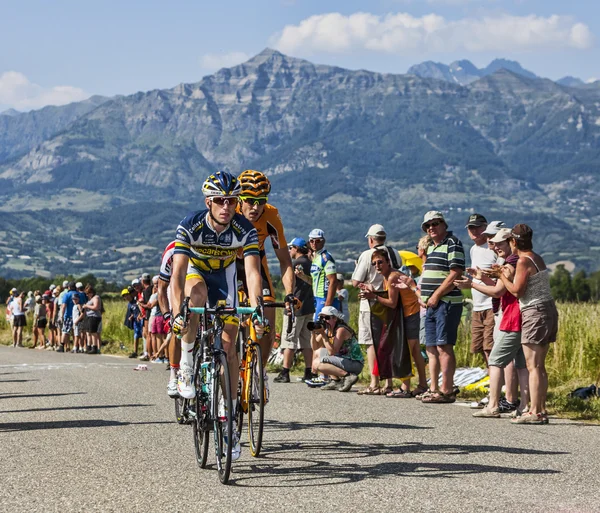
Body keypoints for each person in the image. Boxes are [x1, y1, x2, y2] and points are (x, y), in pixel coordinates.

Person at [170, 171, 265, 462]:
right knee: (195, 297)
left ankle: (230, 419)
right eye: (220, 201)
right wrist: (177, 314)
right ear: (208, 202)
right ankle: (187, 361)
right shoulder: (191, 225)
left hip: (225, 279)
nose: (227, 207)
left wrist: (258, 307)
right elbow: (177, 275)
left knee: (228, 345)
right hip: (197, 274)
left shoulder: (244, 228)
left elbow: (251, 272)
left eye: (232, 201)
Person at [455, 228, 530, 418]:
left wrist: (471, 284)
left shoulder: (510, 263)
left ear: (511, 242)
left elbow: (498, 292)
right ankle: (524, 406)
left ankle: (493, 405)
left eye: (500, 243)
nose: (495, 247)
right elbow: (501, 288)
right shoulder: (517, 261)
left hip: (512, 318)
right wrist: (483, 278)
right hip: (523, 316)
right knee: (521, 364)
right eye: (494, 243)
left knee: (495, 360)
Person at [236, 170, 296, 370]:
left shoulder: (271, 215)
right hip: (229, 263)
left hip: (256, 263)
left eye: (261, 200)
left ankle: (258, 372)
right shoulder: (229, 212)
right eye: (249, 200)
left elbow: (285, 261)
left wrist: (289, 295)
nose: (255, 207)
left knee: (268, 317)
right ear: (239, 198)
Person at [498, 224, 558, 425]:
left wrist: (501, 277)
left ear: (513, 242)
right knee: (540, 366)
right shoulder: (536, 257)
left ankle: (533, 411)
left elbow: (516, 291)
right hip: (547, 310)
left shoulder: (523, 261)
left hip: (534, 312)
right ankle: (541, 409)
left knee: (533, 366)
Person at [360, 249, 427, 397]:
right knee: (415, 352)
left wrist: (373, 297)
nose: (377, 266)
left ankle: (405, 387)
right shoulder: (388, 276)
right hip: (412, 313)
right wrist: (373, 292)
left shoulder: (391, 277)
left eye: (380, 262)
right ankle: (423, 384)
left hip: (409, 314)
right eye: (374, 263)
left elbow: (391, 302)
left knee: (406, 351)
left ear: (388, 262)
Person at [419, 211, 465, 403]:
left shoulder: (452, 243)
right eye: (427, 225)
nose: (431, 228)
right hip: (430, 304)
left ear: (444, 224)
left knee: (444, 345)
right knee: (431, 347)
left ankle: (446, 389)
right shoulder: (431, 247)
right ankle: (434, 387)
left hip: (446, 302)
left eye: (435, 223)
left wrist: (437, 295)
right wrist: (424, 296)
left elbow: (455, 272)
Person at [351, 224, 394, 395]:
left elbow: (355, 281)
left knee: (371, 344)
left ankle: (374, 381)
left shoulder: (367, 255)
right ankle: (389, 382)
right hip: (389, 301)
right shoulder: (393, 252)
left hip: (370, 304)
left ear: (370, 239)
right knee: (387, 343)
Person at [274, 237, 315, 384]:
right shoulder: (310, 263)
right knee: (306, 341)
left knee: (289, 340)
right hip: (309, 306)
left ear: (296, 249)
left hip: (296, 306)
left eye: (291, 248)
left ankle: (285, 371)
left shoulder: (296, 264)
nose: (290, 251)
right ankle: (309, 371)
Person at [308, 228, 339, 386]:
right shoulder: (316, 257)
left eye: (318, 240)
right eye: (312, 240)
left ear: (323, 241)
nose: (314, 243)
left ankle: (325, 375)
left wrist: (327, 305)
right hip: (317, 299)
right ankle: (321, 372)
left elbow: (332, 281)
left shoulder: (326, 258)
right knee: (316, 336)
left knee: (321, 336)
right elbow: (314, 281)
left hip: (323, 300)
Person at [465, 214, 498, 365]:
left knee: (490, 347)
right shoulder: (473, 249)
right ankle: (494, 379)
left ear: (486, 228)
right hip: (477, 306)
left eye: (478, 227)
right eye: (471, 227)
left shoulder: (493, 248)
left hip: (492, 304)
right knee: (479, 348)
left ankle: (498, 383)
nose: (475, 230)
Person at [311, 306, 364, 392]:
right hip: (343, 360)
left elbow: (333, 351)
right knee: (318, 352)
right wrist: (313, 333)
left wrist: (324, 336)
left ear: (335, 318)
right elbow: (315, 347)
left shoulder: (340, 330)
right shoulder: (327, 330)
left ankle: (349, 376)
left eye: (327, 317)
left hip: (354, 362)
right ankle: (336, 381)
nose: (324, 320)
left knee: (317, 363)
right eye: (321, 317)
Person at [158, 240, 179, 397]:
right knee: (177, 328)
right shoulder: (172, 250)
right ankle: (174, 372)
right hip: (175, 286)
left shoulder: (207, 245)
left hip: (202, 284)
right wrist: (167, 316)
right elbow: (162, 289)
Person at [82, 284, 102, 354]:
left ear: (91, 292)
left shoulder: (96, 298)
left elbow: (96, 307)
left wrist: (87, 306)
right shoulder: (90, 299)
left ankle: (94, 347)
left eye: (88, 293)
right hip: (89, 316)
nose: (87, 295)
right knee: (88, 332)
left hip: (94, 317)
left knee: (93, 332)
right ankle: (88, 346)